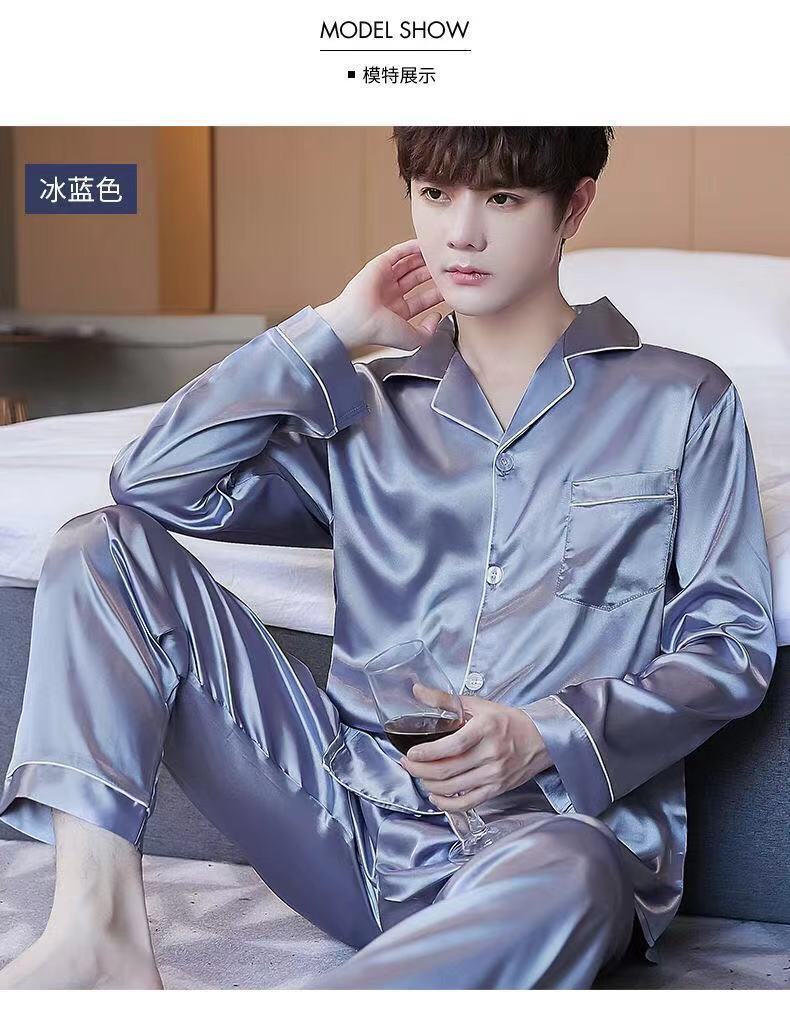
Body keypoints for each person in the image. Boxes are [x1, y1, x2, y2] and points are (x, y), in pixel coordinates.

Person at [0, 127, 777, 990]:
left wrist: (543, 734)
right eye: (436, 196)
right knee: (98, 546)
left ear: (575, 205)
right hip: (350, 816)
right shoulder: (364, 411)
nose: (462, 234)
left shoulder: (682, 400)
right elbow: (153, 482)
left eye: (504, 199)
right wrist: (334, 329)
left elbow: (731, 645)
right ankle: (97, 932)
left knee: (576, 872)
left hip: (550, 837)